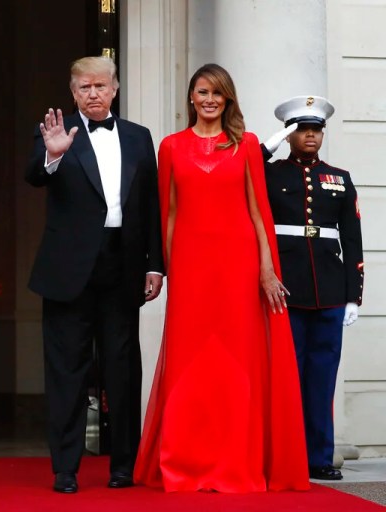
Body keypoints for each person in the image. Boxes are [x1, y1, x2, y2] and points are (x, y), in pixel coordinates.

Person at [133, 63, 311, 493]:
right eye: (202, 92)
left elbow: (258, 212)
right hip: (191, 270)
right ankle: (184, 463)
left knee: (237, 364)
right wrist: (170, 271)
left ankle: (236, 462)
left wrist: (267, 270)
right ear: (190, 97)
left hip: (240, 267)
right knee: (188, 363)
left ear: (227, 99)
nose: (209, 99)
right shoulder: (171, 147)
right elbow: (169, 212)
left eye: (217, 93)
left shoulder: (246, 145)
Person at [25, 56, 163, 494]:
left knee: (122, 368)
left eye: (101, 86)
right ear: (72, 92)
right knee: (67, 369)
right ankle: (65, 468)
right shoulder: (56, 130)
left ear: (115, 88)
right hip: (69, 268)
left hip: (123, 264)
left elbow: (151, 204)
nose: (93, 94)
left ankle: (123, 464)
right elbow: (33, 176)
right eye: (84, 87)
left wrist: (155, 262)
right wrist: (51, 155)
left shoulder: (140, 138)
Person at [262, 96, 364, 481]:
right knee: (286, 378)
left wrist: (354, 294)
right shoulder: (271, 173)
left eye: (316, 129)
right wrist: (266, 147)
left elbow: (352, 238)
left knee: (322, 378)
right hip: (284, 288)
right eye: (302, 129)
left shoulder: (339, 176)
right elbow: (239, 173)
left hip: (330, 291)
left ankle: (319, 457)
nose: (310, 135)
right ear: (289, 135)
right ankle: (285, 455)